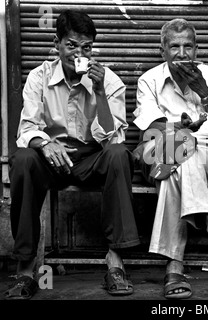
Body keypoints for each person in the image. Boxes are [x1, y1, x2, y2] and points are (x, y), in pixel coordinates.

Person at [4, 10, 139, 299]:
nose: (79, 53)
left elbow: (113, 137)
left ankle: (115, 263)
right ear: (57, 44)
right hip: (51, 159)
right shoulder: (39, 76)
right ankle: (26, 270)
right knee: (23, 159)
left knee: (118, 154)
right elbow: (27, 128)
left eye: (86, 47)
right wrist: (45, 143)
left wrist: (100, 92)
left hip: (91, 158)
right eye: (72, 45)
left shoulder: (109, 80)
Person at [133, 18, 208, 299]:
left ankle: (175, 266)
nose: (182, 53)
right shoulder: (149, 80)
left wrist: (204, 91)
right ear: (162, 51)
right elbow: (153, 129)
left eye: (188, 46)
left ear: (197, 49)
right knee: (184, 145)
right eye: (174, 47)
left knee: (184, 157)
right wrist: (181, 129)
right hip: (159, 152)